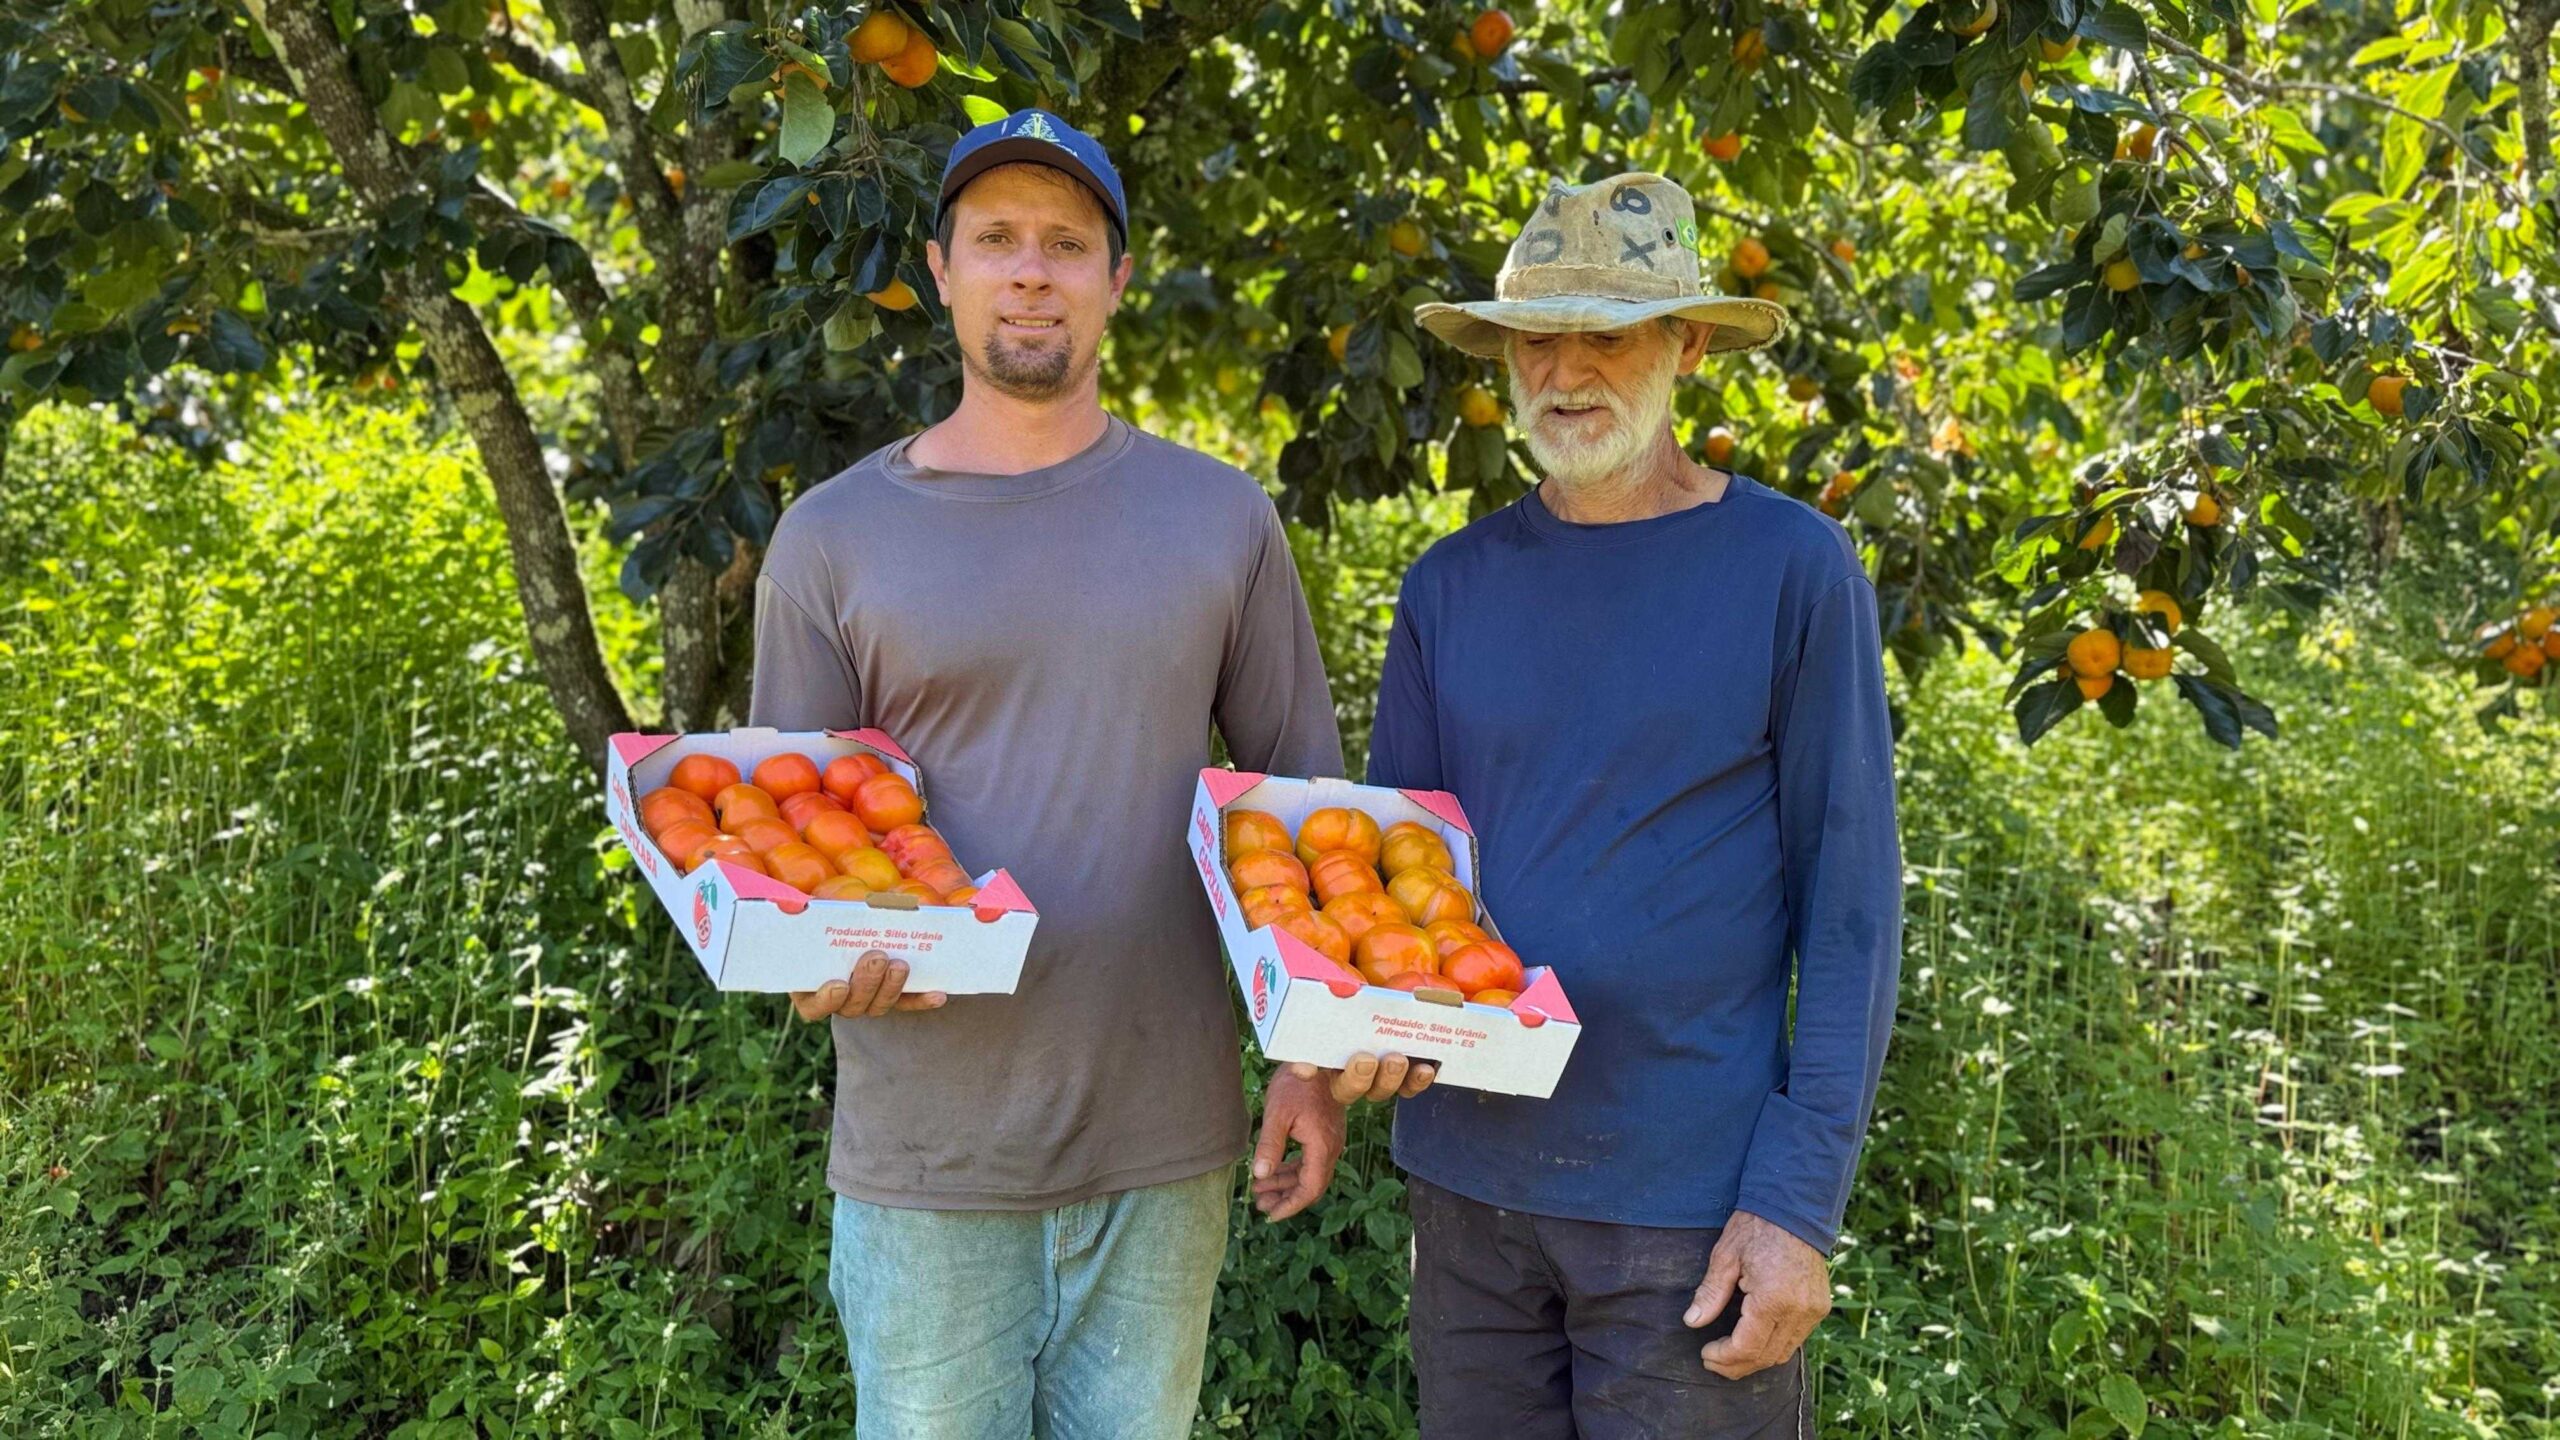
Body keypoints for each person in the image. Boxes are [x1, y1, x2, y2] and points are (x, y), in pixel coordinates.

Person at [747, 109, 1430, 1439]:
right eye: (996, 239)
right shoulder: (830, 540)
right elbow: (795, 853)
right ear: (939, 270)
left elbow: (1306, 810)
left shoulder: (1219, 517)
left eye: (1067, 242)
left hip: (1162, 1152)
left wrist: (1306, 1057)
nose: (1031, 270)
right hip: (930, 1160)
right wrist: (816, 962)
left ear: (1118, 278)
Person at [1371, 171, 1903, 1436]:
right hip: (1467, 1188)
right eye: (1536, 342)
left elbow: (1849, 910)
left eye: (1606, 336)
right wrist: (1351, 1027)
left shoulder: (1790, 568)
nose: (1564, 375)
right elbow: (1392, 877)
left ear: (1689, 344)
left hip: (1690, 1204)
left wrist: (1795, 1203)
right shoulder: (1450, 587)